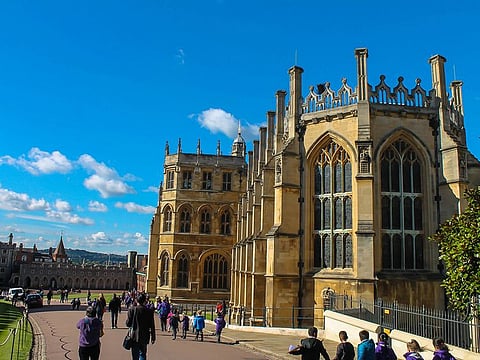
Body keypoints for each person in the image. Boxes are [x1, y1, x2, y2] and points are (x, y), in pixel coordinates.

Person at [126, 293, 156, 360]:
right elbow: (152, 326)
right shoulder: (149, 311)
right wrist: (153, 337)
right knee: (142, 354)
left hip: (134, 336)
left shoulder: (132, 310)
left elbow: (128, 324)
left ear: (137, 300)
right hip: (144, 336)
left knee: (135, 356)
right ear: (145, 301)